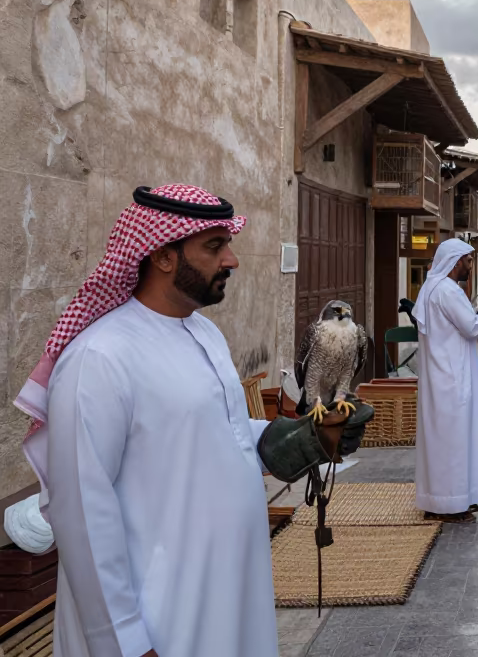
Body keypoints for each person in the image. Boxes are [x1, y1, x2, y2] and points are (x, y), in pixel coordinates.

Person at [15, 185, 364, 657]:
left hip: (230, 593)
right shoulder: (100, 358)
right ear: (162, 256)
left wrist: (308, 436)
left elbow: (223, 436)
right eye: (215, 247)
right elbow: (82, 515)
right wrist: (126, 642)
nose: (232, 260)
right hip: (159, 613)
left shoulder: (205, 333)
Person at [413, 239, 478, 523]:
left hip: (441, 375)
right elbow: (471, 326)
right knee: (452, 443)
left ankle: (451, 498)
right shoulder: (447, 291)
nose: (471, 265)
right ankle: (448, 506)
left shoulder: (431, 288)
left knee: (444, 441)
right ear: (454, 262)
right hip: (452, 379)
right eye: (468, 260)